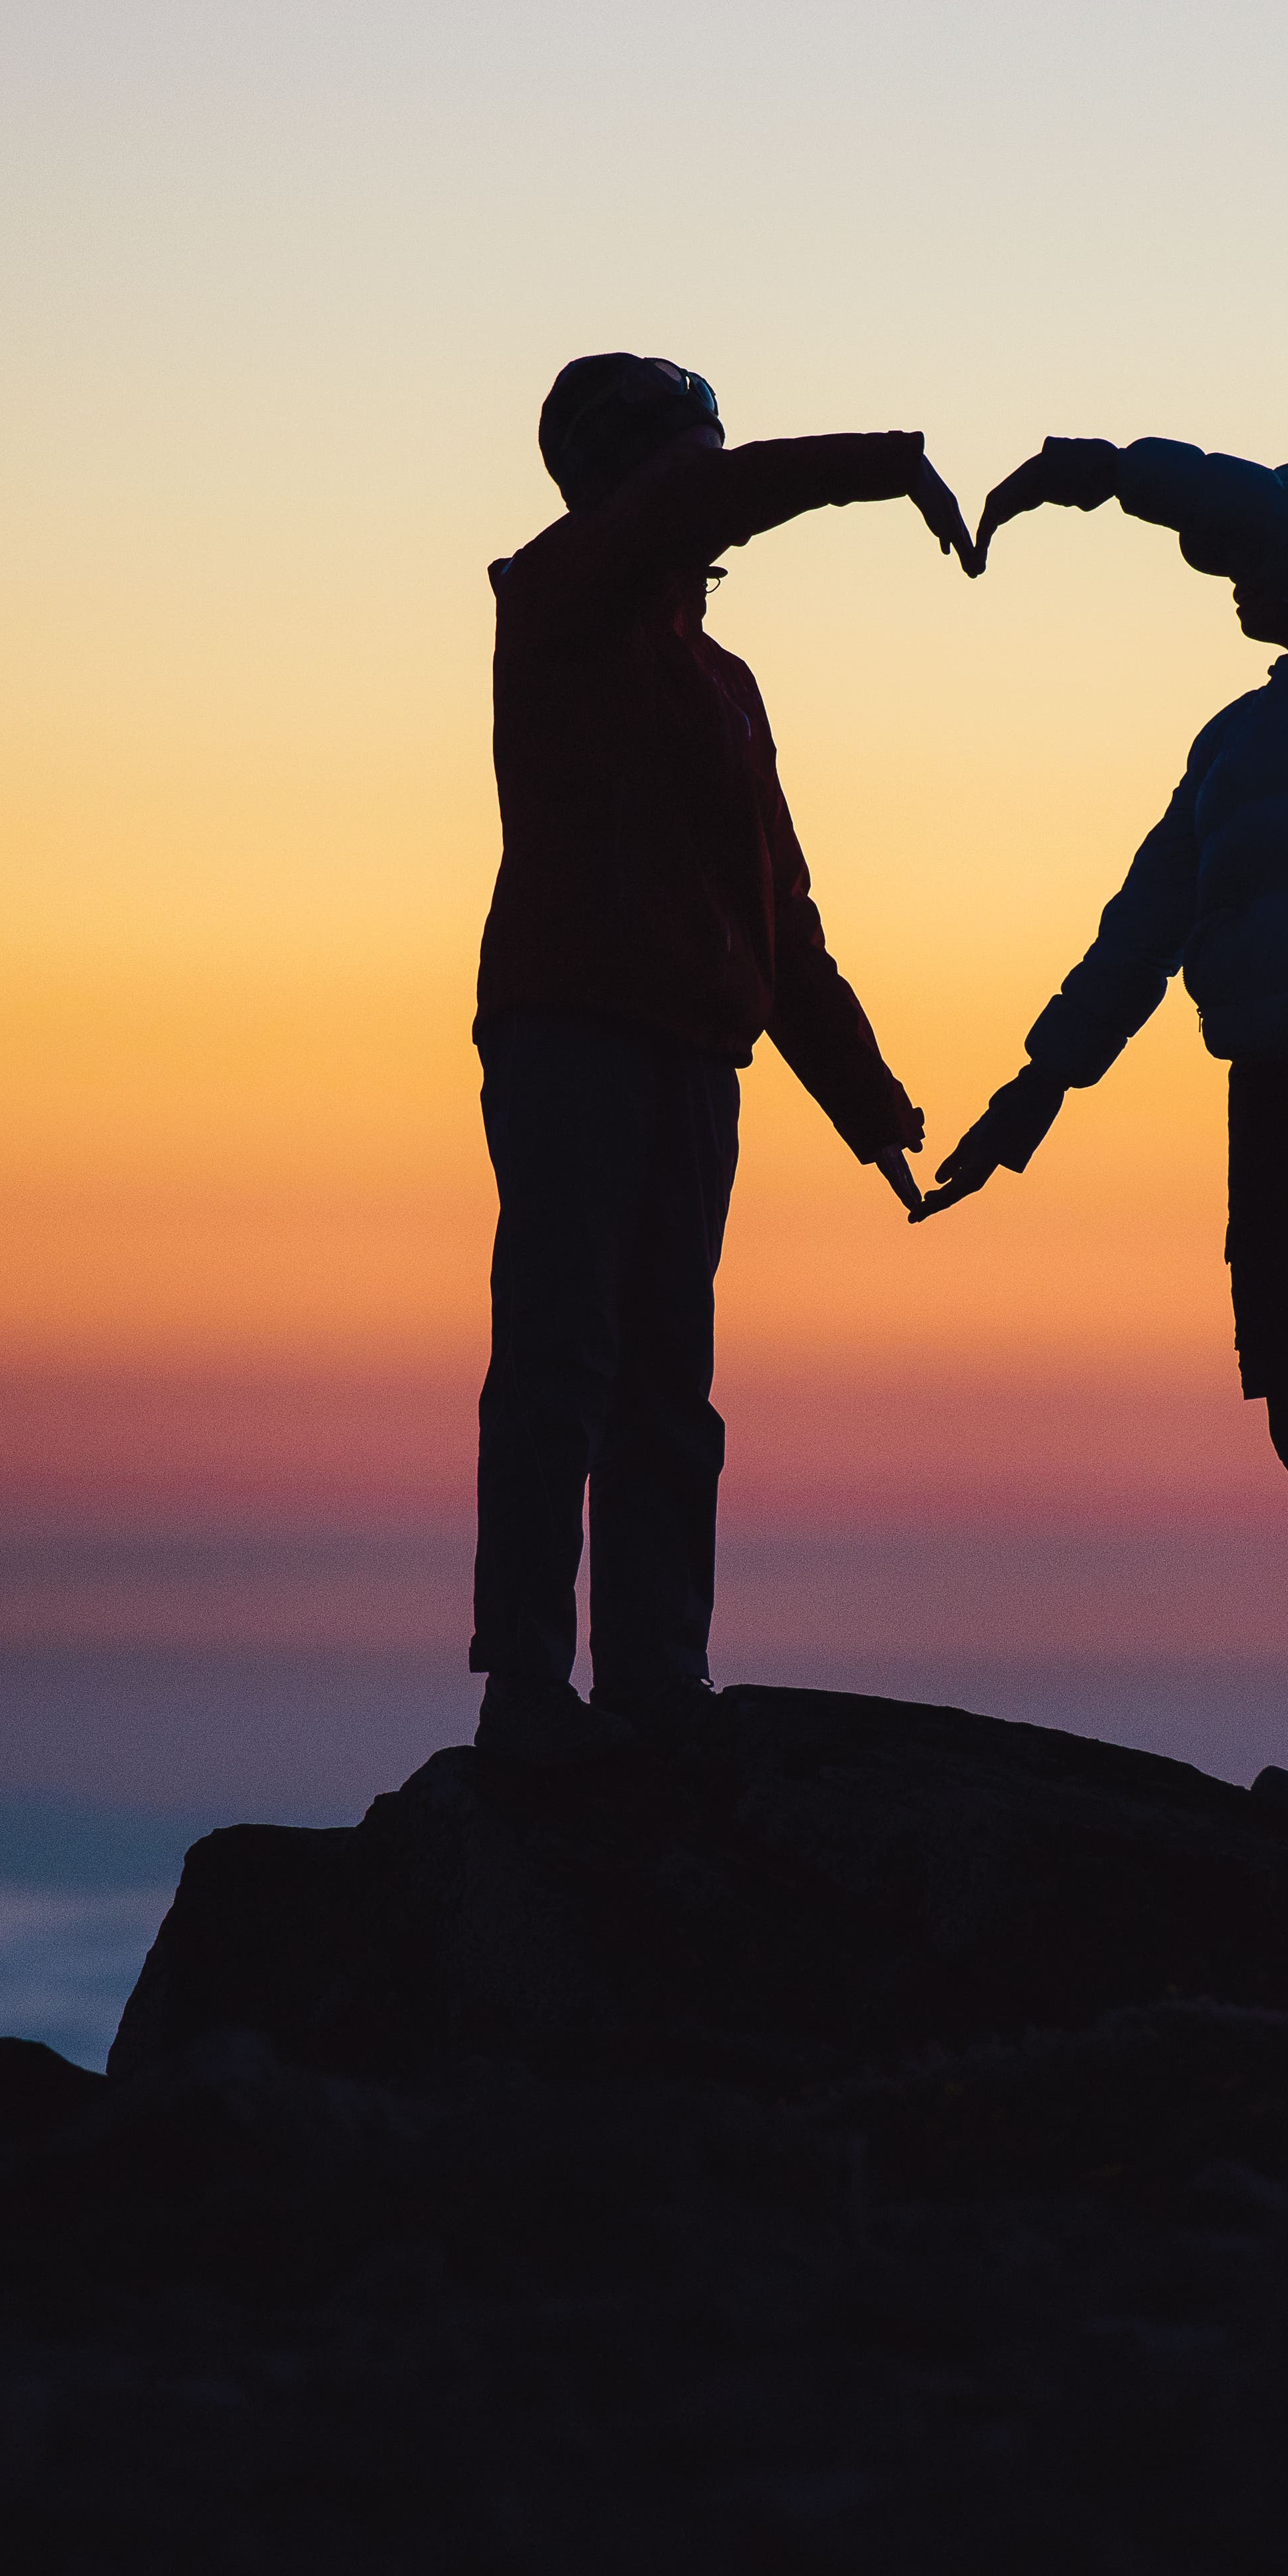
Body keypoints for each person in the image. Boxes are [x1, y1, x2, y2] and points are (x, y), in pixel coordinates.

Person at [916, 434, 1288, 1853]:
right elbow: (1148, 920)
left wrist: (1112, 473)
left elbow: (1277, 522)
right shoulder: (1240, 745)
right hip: (1278, 1101)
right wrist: (1034, 1093)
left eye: (1249, 559)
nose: (1234, 580)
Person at [470, 352, 971, 1771]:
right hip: (568, 1031)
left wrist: (866, 1101)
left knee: (667, 1386)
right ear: (628, 481)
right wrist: (880, 462)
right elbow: (697, 508)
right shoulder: (556, 599)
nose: (716, 501)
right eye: (691, 467)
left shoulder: (725, 683)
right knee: (560, 1357)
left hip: (696, 1060)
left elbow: (778, 919)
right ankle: (524, 1685)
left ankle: (653, 1677)